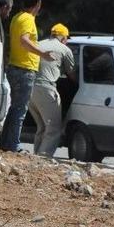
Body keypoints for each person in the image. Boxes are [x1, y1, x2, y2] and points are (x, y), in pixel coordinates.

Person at [0, 0, 54, 152]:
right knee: (20, 110)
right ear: (38, 4)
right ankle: (13, 145)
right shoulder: (28, 19)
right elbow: (24, 40)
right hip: (24, 69)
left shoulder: (16, 17)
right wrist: (42, 53)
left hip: (14, 67)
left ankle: (7, 143)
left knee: (14, 108)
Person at [28, 23, 75, 157]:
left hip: (30, 89)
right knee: (53, 129)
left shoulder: (38, 44)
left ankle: (36, 156)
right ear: (64, 38)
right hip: (46, 89)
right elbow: (72, 74)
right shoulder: (64, 49)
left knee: (42, 126)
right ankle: (43, 158)